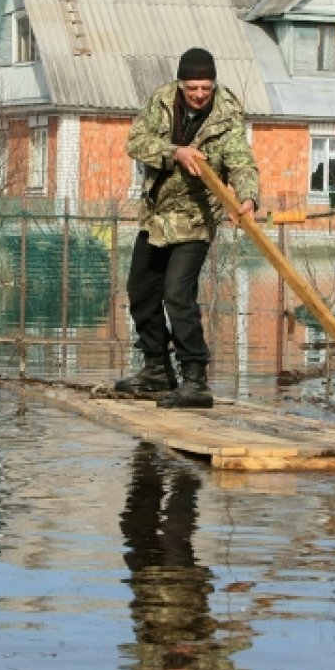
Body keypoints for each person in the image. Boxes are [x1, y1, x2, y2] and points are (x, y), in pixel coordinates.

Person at [114, 47, 259, 409]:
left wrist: (248, 198)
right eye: (192, 88)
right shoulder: (162, 102)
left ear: (213, 86)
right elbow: (136, 143)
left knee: (177, 294)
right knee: (141, 291)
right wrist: (174, 152)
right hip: (157, 216)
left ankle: (195, 379)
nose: (199, 94)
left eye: (205, 88)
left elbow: (241, 162)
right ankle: (156, 369)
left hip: (196, 218)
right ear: (181, 85)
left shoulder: (227, 116)